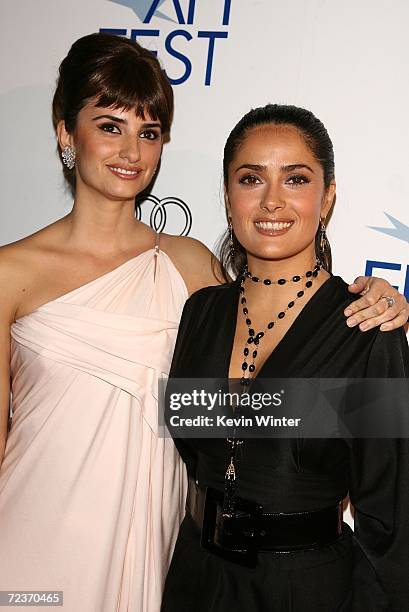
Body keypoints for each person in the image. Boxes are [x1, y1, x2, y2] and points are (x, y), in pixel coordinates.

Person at [0, 34, 406, 612]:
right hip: (42, 536)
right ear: (67, 134)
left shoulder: (190, 271)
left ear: (328, 196)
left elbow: (280, 386)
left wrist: (385, 301)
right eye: (110, 126)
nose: (130, 151)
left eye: (148, 132)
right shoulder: (10, 272)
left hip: (163, 552)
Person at [161, 104, 409, 611]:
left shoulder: (366, 331)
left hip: (307, 590)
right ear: (229, 198)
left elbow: (392, 516)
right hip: (195, 578)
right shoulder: (201, 314)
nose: (272, 200)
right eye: (251, 179)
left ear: (328, 197)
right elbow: (192, 452)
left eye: (295, 179)